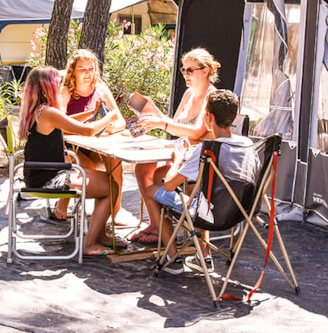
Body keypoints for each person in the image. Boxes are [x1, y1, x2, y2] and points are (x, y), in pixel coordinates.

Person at [145, 89, 260, 274]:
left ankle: (172, 257)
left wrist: (178, 160)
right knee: (195, 189)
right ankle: (203, 256)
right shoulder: (247, 144)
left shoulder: (207, 150)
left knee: (152, 191)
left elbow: (169, 185)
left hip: (208, 213)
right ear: (235, 116)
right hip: (240, 213)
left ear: (209, 116)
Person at [18, 66, 123, 256]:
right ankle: (90, 243)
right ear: (48, 87)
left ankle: (99, 235)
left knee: (107, 181)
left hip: (39, 173)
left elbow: (67, 121)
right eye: (58, 84)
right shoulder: (49, 112)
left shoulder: (38, 111)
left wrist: (93, 113)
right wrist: (109, 117)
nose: (61, 87)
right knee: (111, 187)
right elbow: (88, 131)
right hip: (48, 178)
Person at [130, 48, 221, 244]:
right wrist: (153, 112)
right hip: (181, 153)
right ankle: (157, 225)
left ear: (205, 71)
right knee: (142, 168)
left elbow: (197, 132)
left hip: (199, 161)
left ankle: (162, 229)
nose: (186, 75)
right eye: (183, 70)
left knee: (157, 175)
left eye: (190, 70)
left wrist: (161, 123)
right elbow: (176, 125)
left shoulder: (211, 97)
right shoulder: (189, 94)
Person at [54, 49, 137, 226]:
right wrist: (89, 122)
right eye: (82, 69)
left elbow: (120, 119)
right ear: (73, 71)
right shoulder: (66, 91)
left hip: (96, 143)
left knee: (114, 162)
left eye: (91, 69)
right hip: (69, 145)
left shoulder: (101, 88)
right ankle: (65, 199)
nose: (88, 73)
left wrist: (112, 127)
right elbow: (60, 123)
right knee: (87, 166)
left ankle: (116, 210)